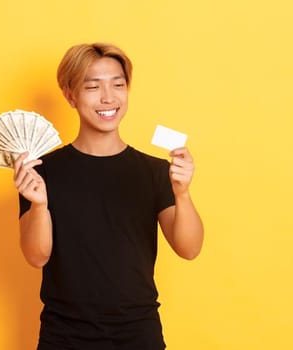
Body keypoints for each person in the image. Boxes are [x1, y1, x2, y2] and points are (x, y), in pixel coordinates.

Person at [13, 42, 204, 349]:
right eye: (93, 86)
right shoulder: (41, 172)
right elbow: (37, 256)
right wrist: (39, 205)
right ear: (70, 94)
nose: (108, 97)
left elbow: (189, 248)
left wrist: (182, 193)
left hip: (138, 334)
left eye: (118, 84)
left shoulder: (155, 171)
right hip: (64, 336)